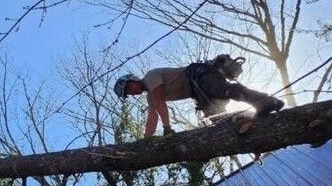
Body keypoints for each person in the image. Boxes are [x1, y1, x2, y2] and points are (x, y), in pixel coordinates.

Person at [113, 54, 285, 136]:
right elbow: (152, 117)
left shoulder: (150, 78)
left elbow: (160, 102)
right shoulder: (149, 96)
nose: (132, 93)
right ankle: (246, 124)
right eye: (128, 94)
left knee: (223, 90)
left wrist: (167, 129)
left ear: (132, 79)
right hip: (197, 91)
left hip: (199, 76)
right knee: (219, 119)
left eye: (129, 88)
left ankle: (267, 102)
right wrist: (146, 141)